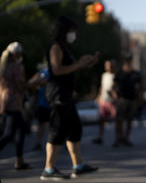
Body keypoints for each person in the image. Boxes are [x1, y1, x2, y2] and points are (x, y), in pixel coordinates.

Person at [40, 16, 99, 181]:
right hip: (58, 94)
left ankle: (78, 165)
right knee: (56, 130)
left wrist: (84, 62)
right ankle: (48, 169)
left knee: (74, 129)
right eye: (72, 31)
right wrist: (78, 65)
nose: (74, 34)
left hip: (65, 95)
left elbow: (69, 67)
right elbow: (57, 70)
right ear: (64, 31)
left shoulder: (63, 48)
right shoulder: (55, 47)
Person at [0, 42, 31, 170]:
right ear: (15, 54)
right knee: (9, 133)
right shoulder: (15, 66)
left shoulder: (2, 65)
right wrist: (34, 82)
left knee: (21, 130)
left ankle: (20, 160)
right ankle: (19, 161)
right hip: (13, 102)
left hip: (4, 100)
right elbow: (20, 85)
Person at [113, 54, 143, 147]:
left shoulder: (135, 73)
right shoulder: (119, 73)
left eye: (129, 60)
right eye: (127, 60)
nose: (128, 62)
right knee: (119, 120)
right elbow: (114, 86)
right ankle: (119, 138)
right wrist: (116, 98)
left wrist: (139, 99)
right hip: (121, 99)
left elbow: (140, 88)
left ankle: (126, 138)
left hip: (132, 99)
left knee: (129, 120)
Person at [92, 60, 117, 145]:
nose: (108, 67)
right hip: (104, 100)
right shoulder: (104, 75)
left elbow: (116, 88)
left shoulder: (115, 75)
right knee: (102, 119)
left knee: (116, 119)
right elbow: (102, 87)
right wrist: (99, 96)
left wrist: (115, 97)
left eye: (109, 65)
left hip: (112, 101)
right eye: (106, 65)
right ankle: (100, 137)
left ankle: (117, 138)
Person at [29, 62, 51, 151]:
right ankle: (38, 143)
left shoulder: (54, 71)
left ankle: (62, 142)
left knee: (56, 125)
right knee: (41, 125)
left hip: (52, 103)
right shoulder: (43, 72)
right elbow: (31, 82)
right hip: (44, 103)